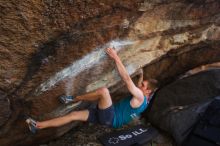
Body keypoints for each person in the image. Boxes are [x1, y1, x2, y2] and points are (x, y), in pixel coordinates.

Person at [26, 48, 158, 133]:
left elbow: (128, 80)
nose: (140, 86)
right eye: (142, 84)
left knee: (104, 92)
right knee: (73, 116)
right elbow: (140, 86)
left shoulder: (140, 96)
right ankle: (37, 125)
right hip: (107, 119)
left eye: (143, 86)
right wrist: (141, 76)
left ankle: (73, 98)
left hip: (110, 117)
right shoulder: (145, 100)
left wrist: (115, 57)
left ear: (147, 92)